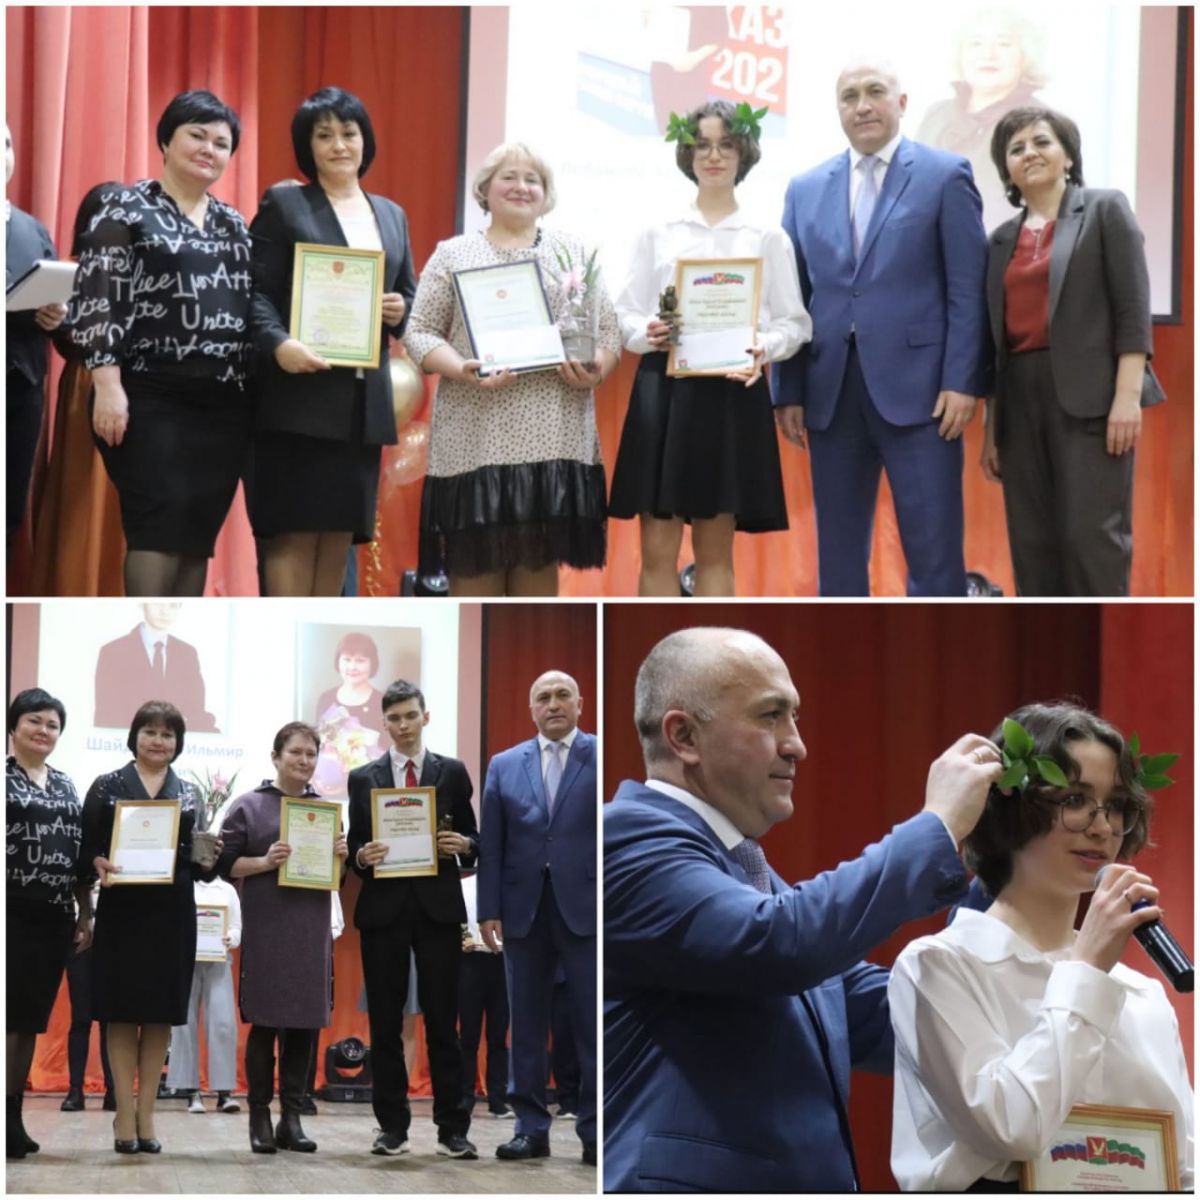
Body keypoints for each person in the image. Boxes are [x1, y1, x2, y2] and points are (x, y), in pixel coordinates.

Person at [603, 627, 1002, 1192]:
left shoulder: (755, 882)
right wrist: (936, 826)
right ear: (684, 736)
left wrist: (1007, 865)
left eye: (795, 717)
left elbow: (907, 1019)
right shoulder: (623, 839)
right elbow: (776, 943)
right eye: (771, 716)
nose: (796, 745)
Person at [890, 702, 1194, 1190]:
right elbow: (1012, 1127)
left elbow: (1184, 1161)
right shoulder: (939, 966)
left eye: (1116, 805)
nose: (1102, 827)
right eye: (1075, 800)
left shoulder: (1143, 995)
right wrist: (1086, 971)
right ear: (1011, 808)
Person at [776, 59, 991, 596]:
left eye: (875, 92)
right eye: (849, 96)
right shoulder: (805, 189)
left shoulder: (945, 175)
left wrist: (962, 380)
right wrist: (789, 389)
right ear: (838, 109)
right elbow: (791, 296)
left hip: (924, 396)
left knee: (934, 559)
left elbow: (967, 289)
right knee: (839, 563)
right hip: (831, 394)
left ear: (902, 102)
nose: (862, 105)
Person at [608, 100, 809, 596]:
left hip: (731, 393)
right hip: (664, 391)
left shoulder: (768, 236)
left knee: (716, 552)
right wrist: (648, 331)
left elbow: (795, 323)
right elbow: (624, 314)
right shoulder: (658, 232)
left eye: (726, 145)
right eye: (702, 145)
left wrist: (764, 345)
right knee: (656, 547)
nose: (714, 156)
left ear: (745, 153)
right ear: (687, 154)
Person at [405, 142, 621, 597]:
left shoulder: (574, 252)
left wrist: (596, 369)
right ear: (485, 189)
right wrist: (461, 367)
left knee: (536, 575)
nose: (521, 187)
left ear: (546, 194)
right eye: (509, 177)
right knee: (474, 576)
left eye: (532, 180)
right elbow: (419, 332)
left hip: (553, 438)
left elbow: (608, 335)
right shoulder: (453, 253)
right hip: (475, 440)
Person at [67, 90, 254, 597]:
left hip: (224, 404)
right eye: (197, 135)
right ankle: (146, 632)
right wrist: (108, 385)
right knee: (157, 524)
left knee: (196, 533)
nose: (209, 149)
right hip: (147, 394)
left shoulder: (234, 224)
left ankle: (177, 632)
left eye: (221, 143)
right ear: (166, 140)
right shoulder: (125, 208)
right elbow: (98, 298)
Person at [980, 107, 1163, 597]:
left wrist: (1127, 398)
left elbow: (1132, 309)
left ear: (1068, 156)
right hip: (1019, 402)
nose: (1029, 153)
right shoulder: (999, 240)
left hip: (1093, 398)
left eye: (1042, 142)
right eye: (1016, 149)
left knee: (1090, 539)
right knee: (1032, 543)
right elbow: (995, 344)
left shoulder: (1105, 210)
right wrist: (992, 430)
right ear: (1007, 171)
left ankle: (1104, 635)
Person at [249, 86, 416, 597]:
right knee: (294, 536)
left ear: (366, 140)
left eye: (349, 133)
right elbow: (255, 293)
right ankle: (284, 633)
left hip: (362, 407)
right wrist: (279, 344)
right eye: (324, 135)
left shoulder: (390, 214)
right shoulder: (286, 204)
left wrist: (399, 310)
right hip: (299, 398)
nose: (339, 144)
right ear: (308, 146)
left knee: (339, 539)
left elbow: (408, 293)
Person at [347, 680, 479, 1158]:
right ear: (383, 722)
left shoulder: (452, 771)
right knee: (385, 1025)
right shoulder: (362, 778)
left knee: (444, 1022)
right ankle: (392, 1128)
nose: (403, 725)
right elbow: (354, 847)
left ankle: (452, 1129)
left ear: (426, 716)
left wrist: (465, 846)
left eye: (410, 715)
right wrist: (361, 855)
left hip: (438, 909)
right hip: (383, 911)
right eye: (394, 718)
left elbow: (473, 837)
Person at [80, 701, 214, 1155]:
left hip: (172, 913)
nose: (159, 741)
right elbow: (86, 849)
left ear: (178, 743)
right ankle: (123, 1111)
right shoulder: (106, 786)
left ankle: (147, 1114)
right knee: (120, 1012)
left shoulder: (190, 793)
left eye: (168, 734)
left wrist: (210, 857)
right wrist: (96, 861)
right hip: (122, 911)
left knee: (160, 1013)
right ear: (134, 736)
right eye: (150, 732)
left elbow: (200, 863)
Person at [478, 670, 597, 1164]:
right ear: (531, 709)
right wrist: (488, 910)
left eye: (562, 695)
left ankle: (596, 1131)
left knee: (591, 1024)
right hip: (522, 909)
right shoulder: (504, 765)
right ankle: (530, 1129)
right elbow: (493, 844)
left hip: (588, 908)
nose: (553, 704)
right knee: (525, 1024)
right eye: (543, 697)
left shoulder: (602, 757)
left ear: (580, 703)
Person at [217, 722, 346, 1154]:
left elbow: (336, 878)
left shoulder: (326, 810)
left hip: (310, 927)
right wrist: (265, 861)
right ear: (276, 757)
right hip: (268, 926)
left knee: (304, 1024)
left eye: (311, 754)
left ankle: (292, 1117)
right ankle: (259, 1117)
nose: (303, 761)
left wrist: (341, 857)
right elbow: (225, 866)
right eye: (295, 752)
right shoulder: (249, 806)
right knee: (266, 1022)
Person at [7, 688, 90, 1158]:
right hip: (10, 912)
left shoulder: (65, 784)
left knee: (28, 1022)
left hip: (54, 916)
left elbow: (77, 855)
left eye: (52, 724)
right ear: (13, 727)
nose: (43, 730)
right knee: (7, 1020)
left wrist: (85, 911)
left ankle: (12, 1118)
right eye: (34, 721)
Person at [916, 7, 1048, 231]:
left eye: (1003, 44)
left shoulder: (1042, 123)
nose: (988, 54)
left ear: (1025, 57)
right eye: (976, 43)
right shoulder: (936, 115)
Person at [6, 125, 68, 557]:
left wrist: (57, 315)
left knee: (8, 507)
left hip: (20, 385)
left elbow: (59, 309)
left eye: (7, 144)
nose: (3, 155)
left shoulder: (32, 229)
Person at [166, 875, 242, 1114]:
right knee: (184, 1024)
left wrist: (231, 938)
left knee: (223, 1023)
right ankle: (191, 1091)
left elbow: (237, 926)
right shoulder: (184, 886)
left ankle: (224, 1092)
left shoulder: (227, 889)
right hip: (186, 961)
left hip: (218, 962)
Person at [94, 602, 217, 731]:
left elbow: (196, 709)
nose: (165, 612)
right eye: (158, 604)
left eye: (172, 606)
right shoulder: (113, 651)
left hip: (174, 738)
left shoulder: (187, 653)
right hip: (127, 738)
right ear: (142, 604)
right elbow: (105, 712)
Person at [457, 869, 511, 1119]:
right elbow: (456, 923)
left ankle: (498, 1099)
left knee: (498, 1036)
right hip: (470, 962)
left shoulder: (506, 887)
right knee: (468, 1035)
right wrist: (462, 940)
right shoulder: (463, 885)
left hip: (502, 962)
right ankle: (465, 1096)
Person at [312, 630, 385, 796]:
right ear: (338, 661)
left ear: (372, 664)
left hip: (368, 791)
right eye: (346, 659)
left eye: (360, 660)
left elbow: (388, 754)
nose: (352, 667)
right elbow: (317, 744)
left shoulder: (382, 702)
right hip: (327, 790)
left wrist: (347, 785)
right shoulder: (326, 698)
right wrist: (317, 780)